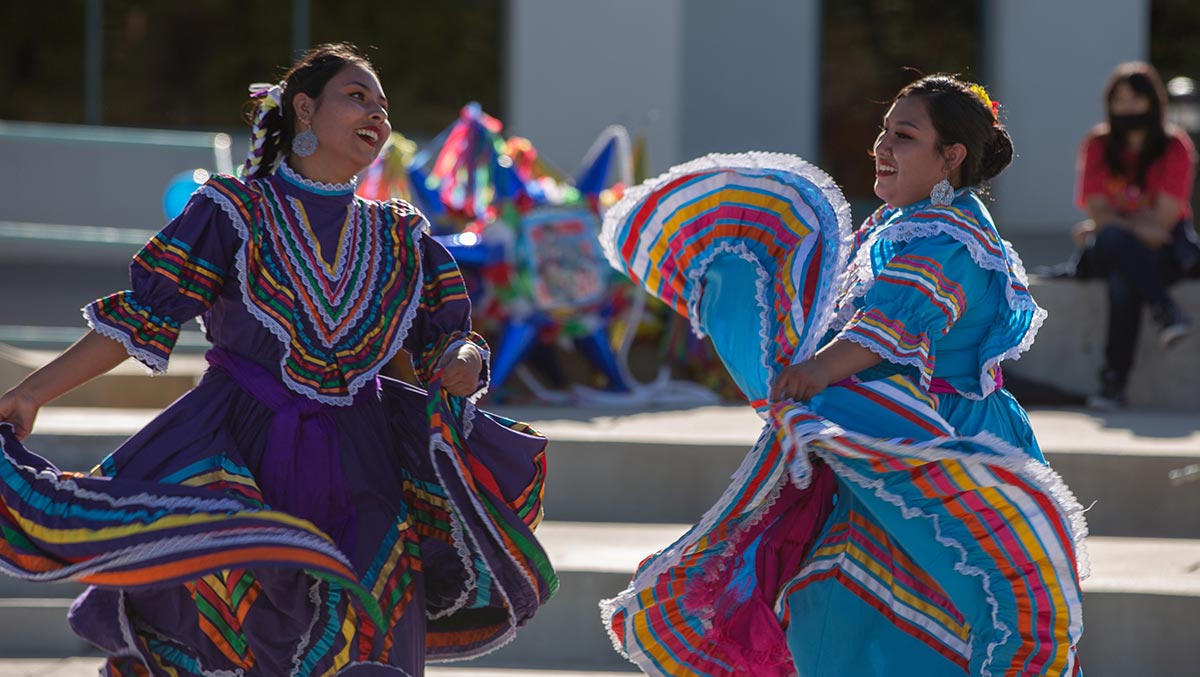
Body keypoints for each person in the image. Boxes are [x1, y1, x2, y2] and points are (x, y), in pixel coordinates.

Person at [0, 43, 555, 676]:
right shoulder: (233, 211)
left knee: (375, 630)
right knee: (247, 638)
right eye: (356, 96)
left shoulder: (401, 235)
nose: (377, 113)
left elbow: (447, 341)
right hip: (241, 458)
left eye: (383, 104)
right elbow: (144, 316)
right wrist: (32, 393)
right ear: (303, 108)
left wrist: (462, 358)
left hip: (363, 466)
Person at [600, 75, 1086, 676]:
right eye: (883, 132)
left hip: (933, 445)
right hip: (874, 436)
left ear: (951, 157)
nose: (881, 147)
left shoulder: (951, 237)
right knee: (835, 601)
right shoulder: (895, 225)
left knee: (928, 608)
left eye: (903, 136)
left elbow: (882, 329)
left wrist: (811, 372)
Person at [1069, 61, 1198, 410]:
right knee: (1113, 244)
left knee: (1123, 277)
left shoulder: (1176, 147)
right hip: (1109, 249)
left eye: (1135, 99)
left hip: (1159, 254)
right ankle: (1165, 309)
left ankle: (1113, 385)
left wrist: (1110, 223)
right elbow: (1098, 210)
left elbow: (1161, 228)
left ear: (1152, 102)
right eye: (1118, 99)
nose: (1126, 107)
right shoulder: (1097, 144)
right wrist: (1116, 224)